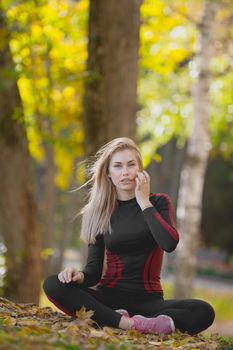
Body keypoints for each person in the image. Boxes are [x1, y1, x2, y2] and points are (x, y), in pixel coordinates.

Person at [43, 137, 215, 335]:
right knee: (53, 284)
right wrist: (78, 276)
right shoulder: (98, 213)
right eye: (117, 166)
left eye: (131, 165)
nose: (125, 172)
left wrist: (144, 203)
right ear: (108, 173)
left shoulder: (157, 203)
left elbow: (169, 243)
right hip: (108, 298)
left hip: (150, 303)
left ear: (140, 170)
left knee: (203, 310)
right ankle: (127, 323)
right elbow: (93, 273)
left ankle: (120, 320)